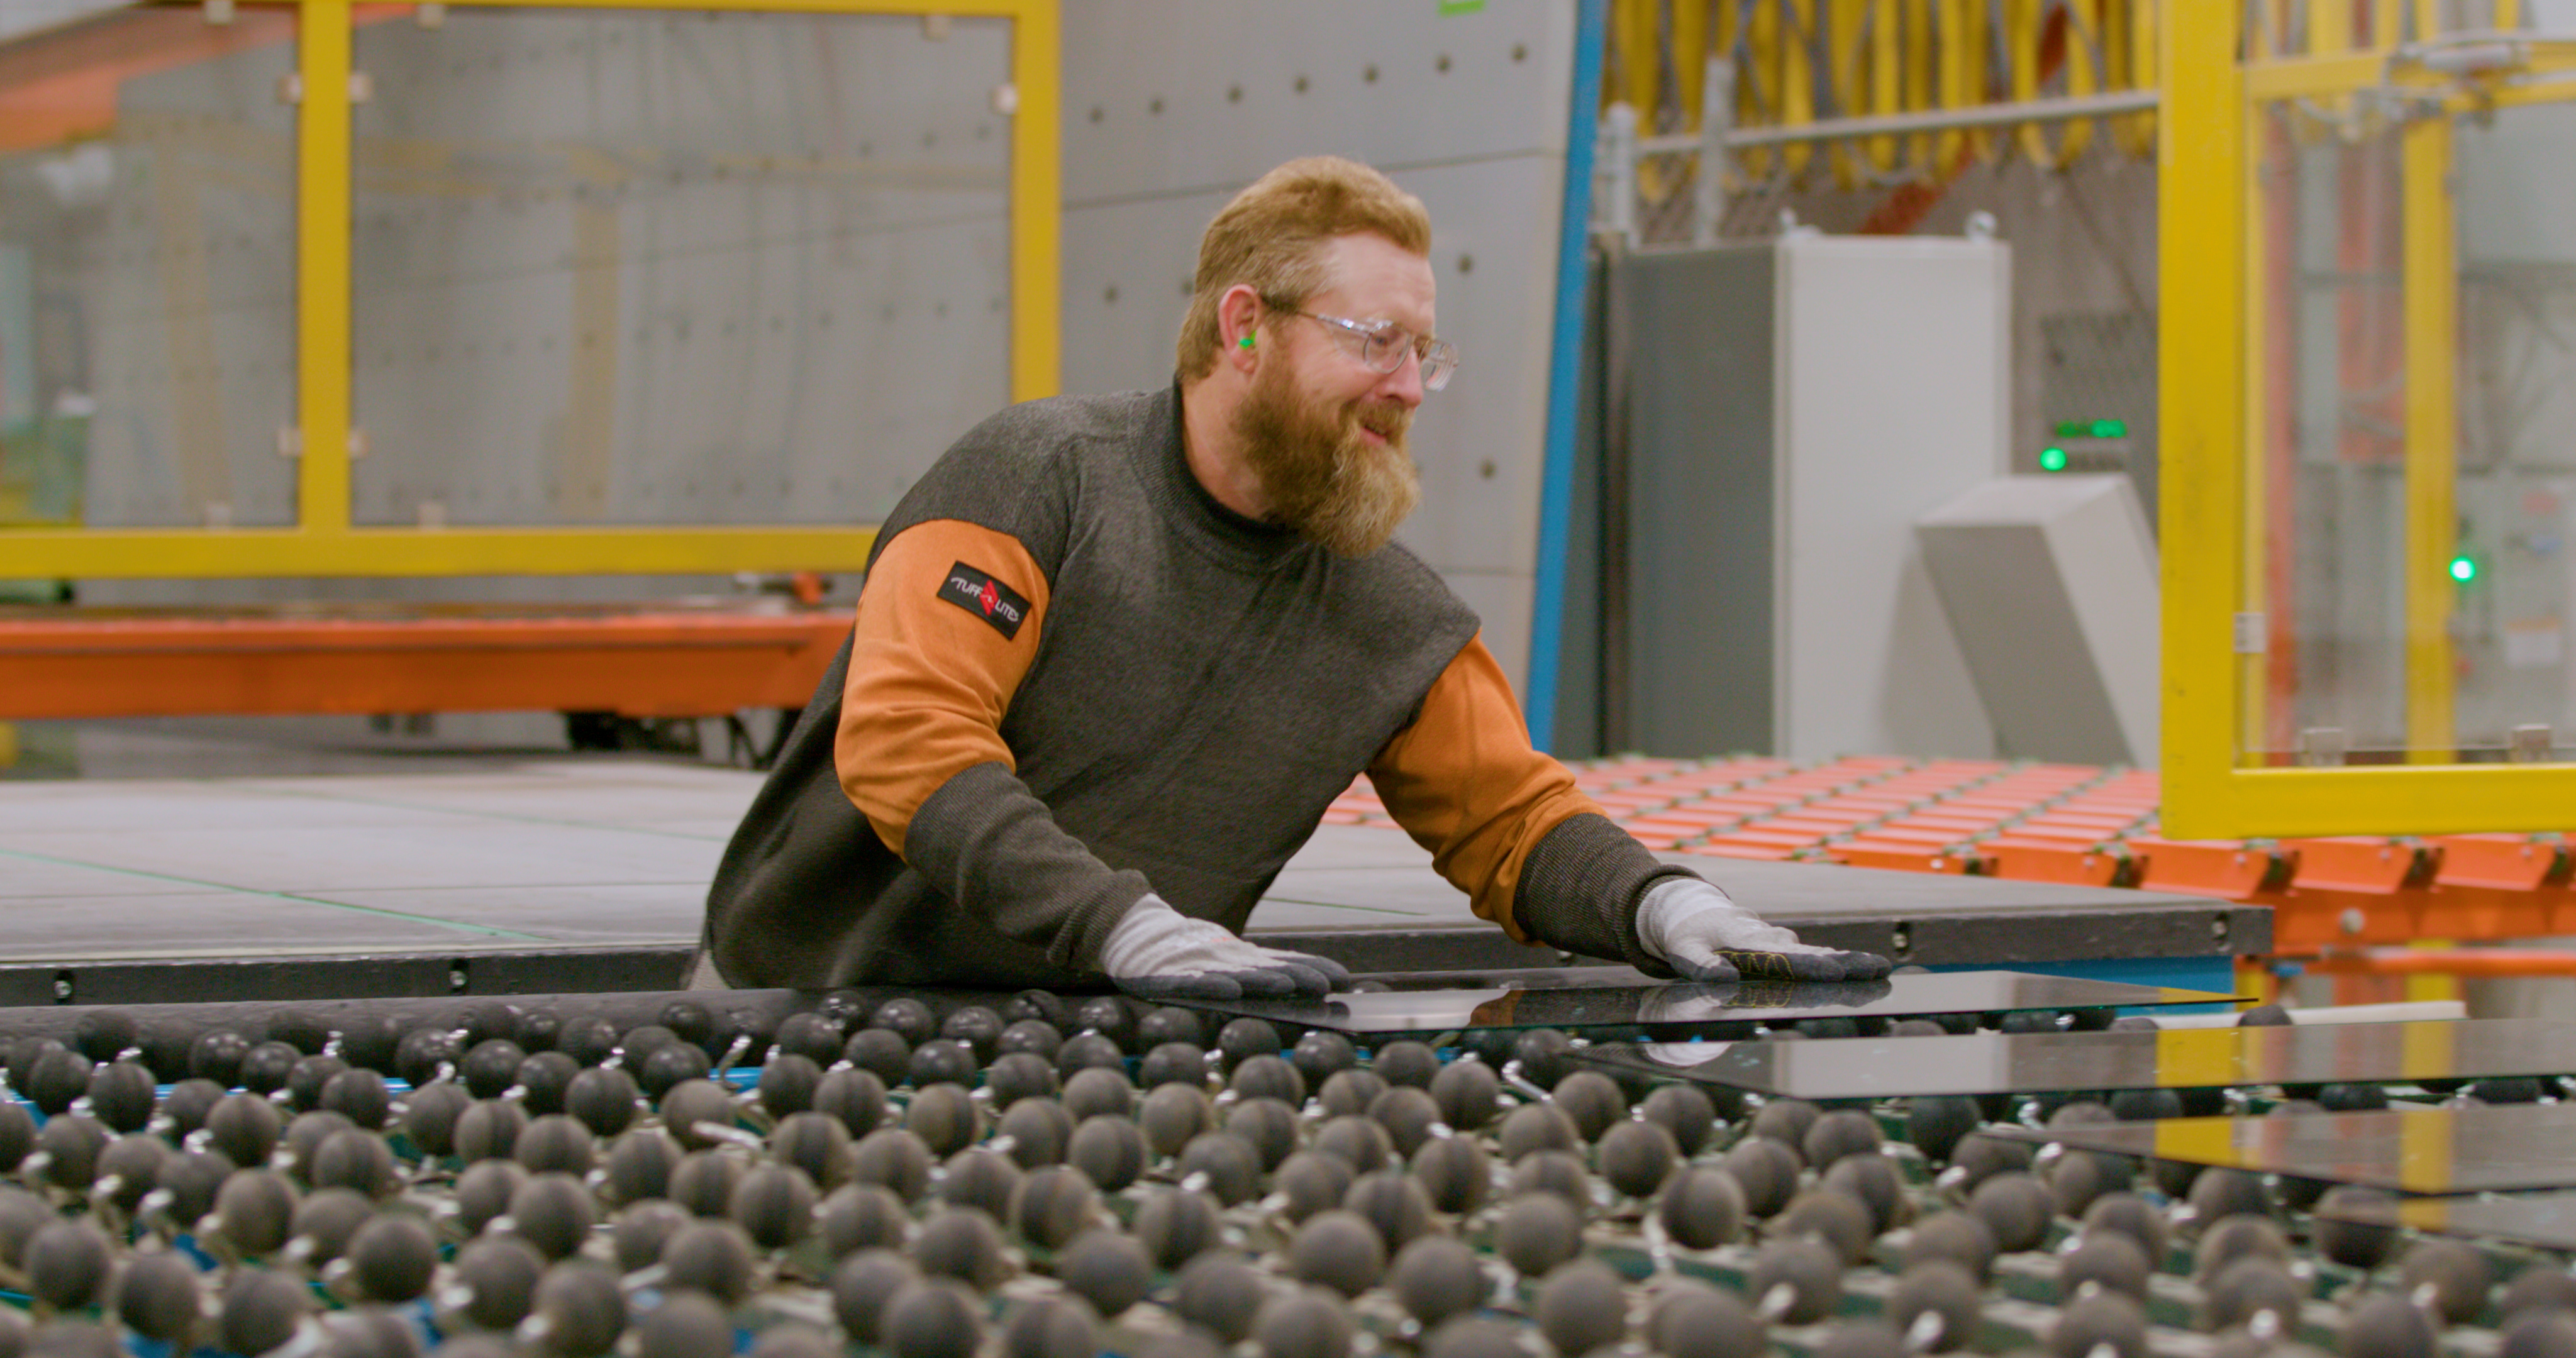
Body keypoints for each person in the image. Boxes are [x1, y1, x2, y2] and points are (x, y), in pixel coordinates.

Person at [692, 155, 1890, 1000]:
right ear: (1247, 327)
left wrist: (1665, 906)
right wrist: (1123, 927)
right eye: (1375, 343)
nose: (1410, 388)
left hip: (1093, 1036)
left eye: (1425, 353)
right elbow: (911, 743)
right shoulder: (1038, 479)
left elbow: (1512, 822)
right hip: (798, 1013)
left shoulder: (1388, 608)